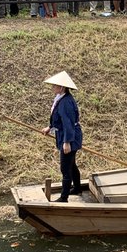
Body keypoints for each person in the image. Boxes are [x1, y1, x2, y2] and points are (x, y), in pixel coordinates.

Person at [41, 71, 83, 203]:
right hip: (65, 134)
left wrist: (67, 142)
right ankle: (77, 187)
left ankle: (64, 197)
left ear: (62, 88)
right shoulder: (61, 99)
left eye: (55, 86)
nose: (52, 88)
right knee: (71, 164)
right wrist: (50, 127)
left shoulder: (65, 102)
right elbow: (58, 119)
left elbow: (68, 123)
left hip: (69, 136)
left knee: (65, 167)